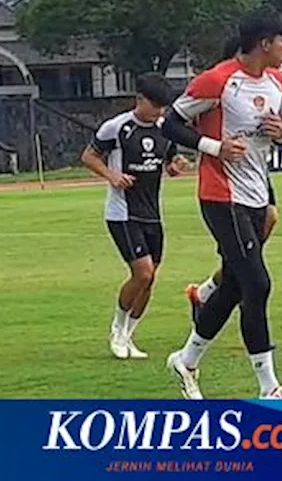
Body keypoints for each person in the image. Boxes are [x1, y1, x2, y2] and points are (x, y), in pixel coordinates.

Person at [161, 10, 282, 399]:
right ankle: (269, 387)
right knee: (257, 282)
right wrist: (214, 147)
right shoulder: (218, 79)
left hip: (256, 194)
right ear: (264, 43)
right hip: (221, 196)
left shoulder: (278, 83)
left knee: (235, 287)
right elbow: (172, 122)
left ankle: (185, 361)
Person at [80, 72, 186, 359]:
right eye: (156, 105)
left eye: (164, 107)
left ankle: (128, 335)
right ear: (139, 100)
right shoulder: (116, 127)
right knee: (143, 272)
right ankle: (117, 328)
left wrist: (176, 166)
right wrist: (111, 175)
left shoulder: (164, 128)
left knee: (150, 280)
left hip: (153, 213)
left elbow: (169, 161)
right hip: (123, 212)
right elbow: (89, 156)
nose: (160, 112)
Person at [184, 36, 281, 320]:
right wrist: (211, 148)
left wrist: (280, 132)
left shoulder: (270, 83)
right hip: (225, 182)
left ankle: (205, 293)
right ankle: (229, 292)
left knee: (268, 221)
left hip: (256, 174)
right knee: (249, 271)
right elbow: (180, 124)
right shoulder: (217, 86)